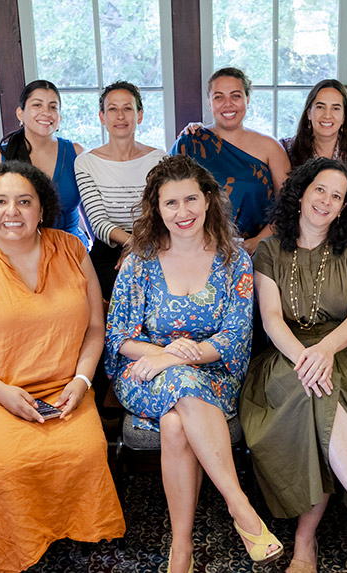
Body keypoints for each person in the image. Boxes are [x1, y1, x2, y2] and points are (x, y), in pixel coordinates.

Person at [0, 161, 124, 573]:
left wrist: (84, 381)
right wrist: (2, 393)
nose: (11, 211)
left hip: (62, 388)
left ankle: (38, 531)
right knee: (6, 461)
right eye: (0, 201)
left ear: (42, 209)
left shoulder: (72, 249)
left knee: (85, 450)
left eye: (23, 201)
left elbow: (94, 327)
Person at [106, 155, 281, 572]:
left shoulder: (234, 260)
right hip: (144, 374)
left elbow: (235, 336)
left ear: (208, 201)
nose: (182, 213)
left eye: (190, 200)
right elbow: (119, 338)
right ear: (156, 208)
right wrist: (163, 357)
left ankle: (179, 547)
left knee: (174, 423)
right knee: (181, 382)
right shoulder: (138, 263)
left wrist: (173, 355)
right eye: (171, 203)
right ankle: (241, 509)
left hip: (215, 372)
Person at [240, 158, 347, 571]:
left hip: (345, 350)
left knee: (322, 394)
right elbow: (271, 319)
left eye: (337, 196)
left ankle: (305, 539)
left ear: (344, 206)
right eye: (320, 190)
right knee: (312, 389)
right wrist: (305, 357)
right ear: (300, 192)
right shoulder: (270, 248)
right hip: (286, 355)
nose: (326, 201)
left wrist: (324, 352)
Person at [171, 67, 291, 254]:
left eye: (235, 96)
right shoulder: (190, 142)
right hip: (197, 252)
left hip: (259, 252)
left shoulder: (271, 147)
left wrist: (256, 243)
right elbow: (168, 199)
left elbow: (288, 205)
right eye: (219, 97)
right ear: (209, 103)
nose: (228, 104)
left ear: (247, 99)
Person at [75, 81, 167, 299]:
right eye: (112, 109)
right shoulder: (86, 162)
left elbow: (163, 213)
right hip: (108, 248)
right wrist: (133, 245)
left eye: (127, 108)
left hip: (155, 242)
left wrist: (141, 248)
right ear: (102, 117)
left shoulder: (159, 159)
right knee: (121, 294)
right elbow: (97, 222)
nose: (120, 116)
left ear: (140, 115)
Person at [0, 79, 89, 247]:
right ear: (20, 114)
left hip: (70, 252)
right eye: (37, 105)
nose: (46, 112)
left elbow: (89, 209)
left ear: (59, 117)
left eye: (53, 107)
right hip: (16, 252)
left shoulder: (76, 153)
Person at [279, 79, 347, 224]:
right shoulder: (288, 148)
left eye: (336, 108)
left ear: (344, 116)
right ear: (308, 113)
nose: (327, 115)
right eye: (320, 107)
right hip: (301, 229)